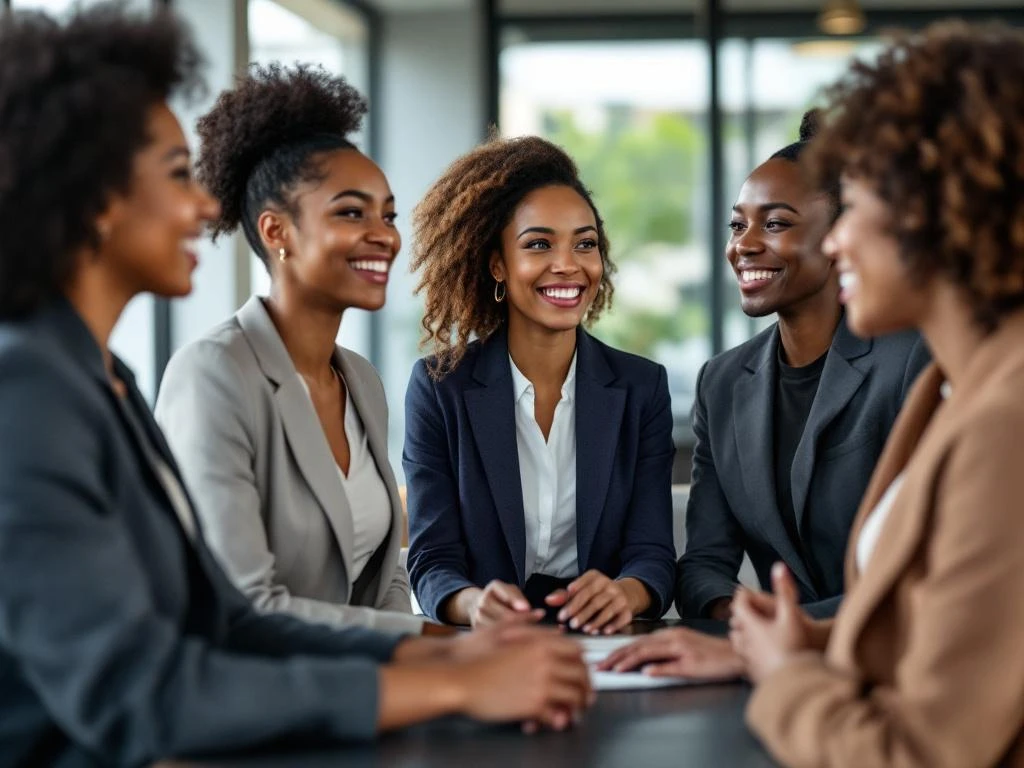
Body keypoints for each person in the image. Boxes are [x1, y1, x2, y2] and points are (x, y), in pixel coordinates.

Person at [0, 7, 591, 766]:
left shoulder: (103, 378)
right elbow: (143, 694)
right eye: (178, 176)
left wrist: (445, 657)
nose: (207, 207)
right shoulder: (29, 392)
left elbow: (222, 621)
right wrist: (452, 685)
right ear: (97, 196)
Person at [725, 22, 1024, 768]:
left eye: (851, 208)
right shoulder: (950, 388)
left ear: (937, 211)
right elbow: (945, 638)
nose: (833, 242)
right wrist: (791, 647)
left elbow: (923, 755)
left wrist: (787, 681)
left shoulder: (1006, 426)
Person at [598, 112, 928, 681]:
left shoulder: (910, 360)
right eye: (736, 225)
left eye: (774, 224)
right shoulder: (722, 382)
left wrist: (786, 634)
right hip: (770, 673)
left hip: (899, 668)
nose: (743, 246)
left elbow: (922, 575)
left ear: (839, 236)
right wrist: (739, 613)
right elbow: (703, 562)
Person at [155, 64, 421, 634]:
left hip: (363, 692)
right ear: (277, 233)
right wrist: (428, 642)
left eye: (389, 214)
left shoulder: (362, 381)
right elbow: (242, 604)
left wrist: (434, 658)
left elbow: (384, 580)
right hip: (256, 702)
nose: (385, 234)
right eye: (352, 212)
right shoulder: (214, 374)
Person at [404, 135, 676, 635]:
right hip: (483, 649)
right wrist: (475, 605)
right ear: (497, 265)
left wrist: (622, 594)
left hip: (606, 647)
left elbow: (653, 555)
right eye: (538, 244)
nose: (568, 264)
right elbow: (432, 559)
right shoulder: (440, 389)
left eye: (585, 244)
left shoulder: (642, 388)